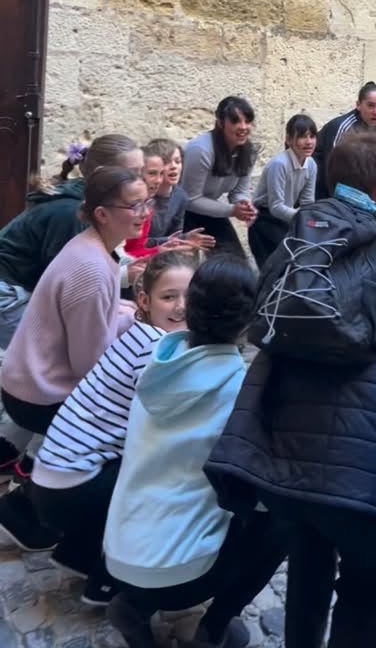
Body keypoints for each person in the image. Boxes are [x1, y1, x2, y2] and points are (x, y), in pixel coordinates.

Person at [205, 134, 376, 648]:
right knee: (370, 585)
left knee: (307, 565)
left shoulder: (297, 247)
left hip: (284, 456)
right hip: (365, 470)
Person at [104, 257, 286, 648]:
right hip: (178, 575)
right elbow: (254, 487)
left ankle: (134, 605)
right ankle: (214, 628)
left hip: (117, 554)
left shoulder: (159, 361)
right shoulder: (239, 391)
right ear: (249, 321)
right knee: (283, 521)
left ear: (191, 308)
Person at [30, 251, 196, 607]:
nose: (181, 306)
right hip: (72, 489)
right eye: (169, 297)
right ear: (144, 301)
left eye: (190, 296)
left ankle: (78, 554)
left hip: (50, 479)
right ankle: (109, 582)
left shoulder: (136, 334)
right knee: (165, 478)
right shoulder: (159, 350)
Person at [0, 167, 147, 552]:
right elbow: (91, 367)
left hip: (30, 379)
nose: (145, 212)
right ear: (102, 213)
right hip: (38, 392)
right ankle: (29, 514)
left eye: (146, 202)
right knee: (125, 428)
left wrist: (132, 315)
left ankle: (27, 502)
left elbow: (101, 318)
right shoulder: (92, 267)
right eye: (134, 206)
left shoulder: (93, 248)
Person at [0, 133, 142, 354]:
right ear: (102, 174)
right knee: (49, 356)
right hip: (9, 293)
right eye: (131, 173)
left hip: (26, 287)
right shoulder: (71, 213)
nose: (141, 180)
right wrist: (123, 277)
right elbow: (67, 284)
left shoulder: (88, 203)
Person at [182, 97, 258, 257]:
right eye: (235, 121)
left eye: (248, 121)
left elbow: (239, 191)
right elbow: (191, 199)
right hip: (181, 212)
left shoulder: (248, 152)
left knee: (235, 261)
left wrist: (244, 205)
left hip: (210, 209)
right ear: (220, 123)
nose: (243, 127)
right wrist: (232, 210)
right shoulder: (201, 150)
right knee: (186, 265)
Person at [249, 114, 318, 268]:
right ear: (288, 139)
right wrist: (302, 217)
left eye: (312, 136)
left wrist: (310, 219)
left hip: (286, 219)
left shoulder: (311, 164)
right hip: (264, 219)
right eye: (302, 136)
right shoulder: (279, 164)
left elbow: (307, 202)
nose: (309, 142)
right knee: (272, 270)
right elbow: (276, 207)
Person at [314, 81, 376, 198]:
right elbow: (331, 168)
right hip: (320, 186)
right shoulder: (343, 127)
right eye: (370, 105)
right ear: (358, 105)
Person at [146, 138, 189, 241]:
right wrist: (170, 241)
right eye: (166, 162)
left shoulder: (181, 196)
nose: (174, 166)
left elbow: (177, 232)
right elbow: (135, 242)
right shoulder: (143, 197)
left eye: (178, 161)